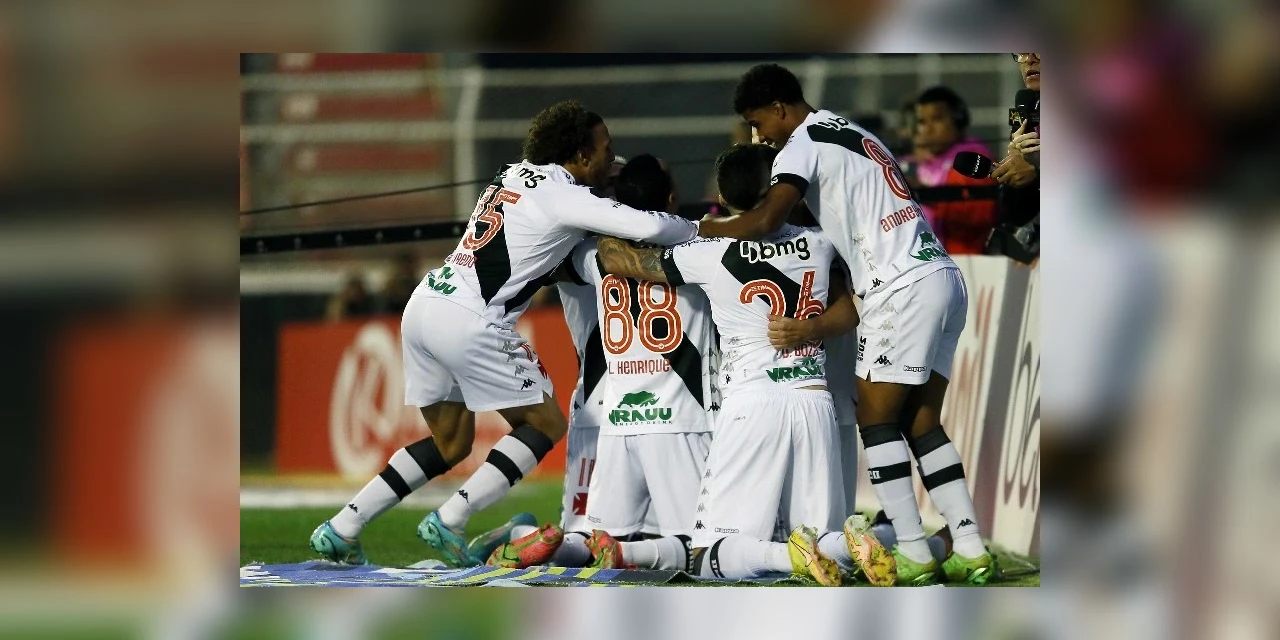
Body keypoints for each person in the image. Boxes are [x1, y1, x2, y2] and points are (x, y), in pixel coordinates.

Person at [308, 100, 699, 567]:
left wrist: (609, 171)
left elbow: (579, 183)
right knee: (545, 423)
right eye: (605, 149)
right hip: (472, 319)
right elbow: (652, 224)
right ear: (578, 155)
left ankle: (343, 527)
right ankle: (451, 519)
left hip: (426, 304)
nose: (611, 157)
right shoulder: (566, 197)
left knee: (450, 443)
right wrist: (704, 227)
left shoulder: (513, 174)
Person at [698, 63, 996, 584]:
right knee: (921, 422)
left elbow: (768, 218)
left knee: (876, 419)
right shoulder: (849, 128)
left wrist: (705, 224)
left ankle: (913, 552)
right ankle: (971, 547)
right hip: (942, 273)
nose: (756, 136)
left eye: (757, 122)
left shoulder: (800, 143)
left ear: (779, 109)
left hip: (898, 285)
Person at [592, 144, 891, 587]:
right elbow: (849, 315)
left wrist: (602, 217)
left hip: (751, 404)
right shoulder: (819, 243)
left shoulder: (710, 251)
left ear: (723, 194)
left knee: (709, 555)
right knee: (818, 539)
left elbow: (627, 263)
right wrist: (808, 330)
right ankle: (852, 542)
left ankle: (795, 554)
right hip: (814, 403)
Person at [902, 86, 998, 255]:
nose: (927, 129)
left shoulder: (971, 159)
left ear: (958, 120)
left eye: (937, 119)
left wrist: (927, 195)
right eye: (922, 122)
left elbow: (974, 217)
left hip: (965, 263)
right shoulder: (917, 162)